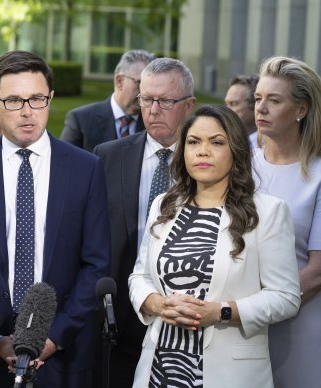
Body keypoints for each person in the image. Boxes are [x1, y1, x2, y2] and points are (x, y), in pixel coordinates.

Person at [0, 50, 111, 388]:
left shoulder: (86, 168)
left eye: (37, 99)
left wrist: (53, 337)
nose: (26, 112)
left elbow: (96, 264)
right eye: (14, 101)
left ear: (50, 98)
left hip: (62, 355)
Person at [129, 104, 301, 387]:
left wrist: (220, 311)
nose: (202, 151)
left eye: (217, 142)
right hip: (160, 368)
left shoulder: (268, 212)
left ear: (236, 150)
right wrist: (159, 304)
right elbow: (140, 277)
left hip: (230, 374)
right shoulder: (164, 204)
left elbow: (285, 297)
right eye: (194, 142)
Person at [93, 57, 196, 388]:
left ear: (189, 105)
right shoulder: (108, 155)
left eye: (165, 101)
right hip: (119, 314)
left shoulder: (207, 162)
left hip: (188, 314)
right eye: (146, 99)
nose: (153, 109)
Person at [253, 56, 321, 388]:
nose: (262, 108)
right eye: (259, 98)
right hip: (237, 325)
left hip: (299, 324)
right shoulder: (239, 166)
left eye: (274, 100)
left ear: (301, 109)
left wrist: (260, 307)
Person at [61, 50, 155, 152]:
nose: (147, 93)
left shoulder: (154, 121)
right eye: (140, 83)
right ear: (119, 81)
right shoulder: (81, 120)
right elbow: (64, 163)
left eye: (152, 86)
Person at [224, 74, 259, 148]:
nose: (227, 110)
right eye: (227, 104)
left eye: (233, 104)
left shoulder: (269, 148)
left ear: (256, 104)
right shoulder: (223, 141)